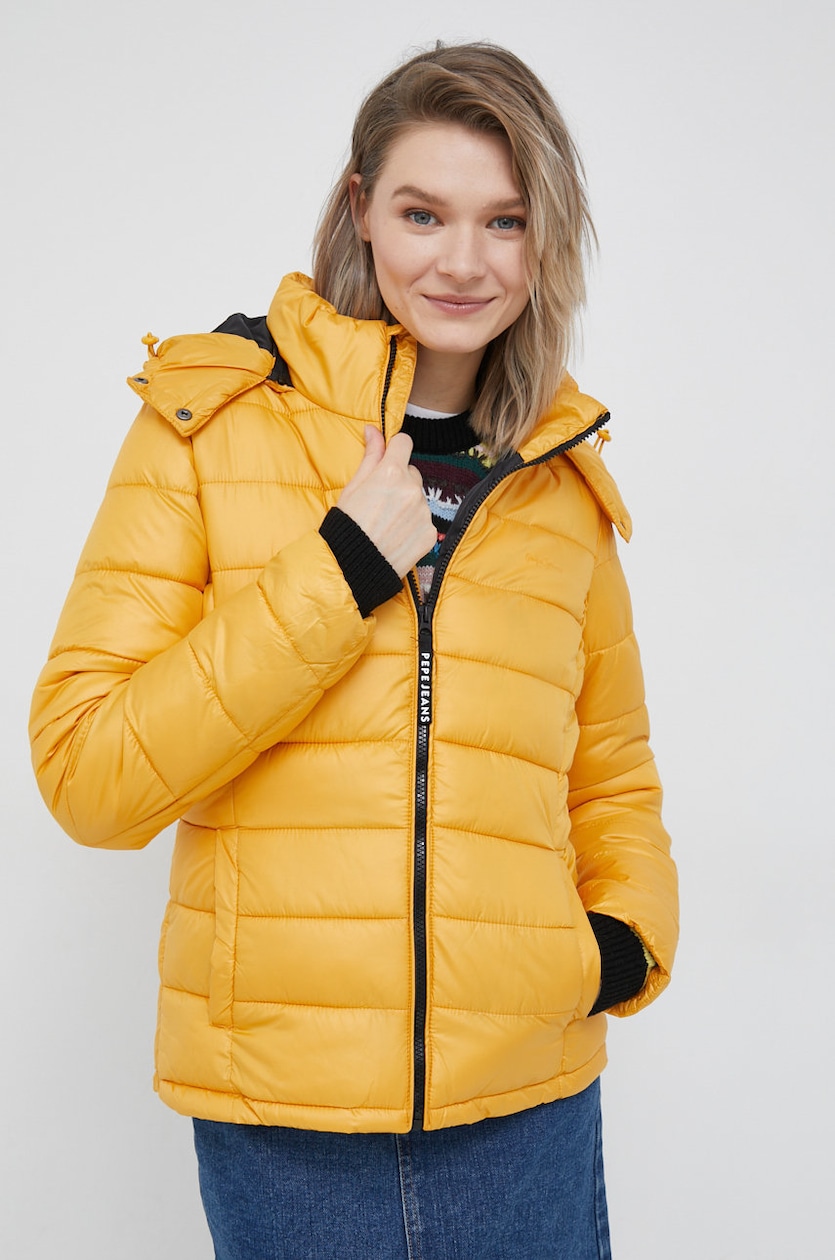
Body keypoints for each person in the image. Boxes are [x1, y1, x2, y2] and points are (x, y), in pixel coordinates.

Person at [29, 41, 678, 1260]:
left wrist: (616, 946)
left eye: (504, 221)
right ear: (360, 210)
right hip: (287, 1123)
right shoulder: (210, 423)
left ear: (545, 239)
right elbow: (87, 774)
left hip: (526, 1108)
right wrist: (338, 572)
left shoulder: (558, 483)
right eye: (423, 213)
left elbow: (611, 776)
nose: (462, 262)